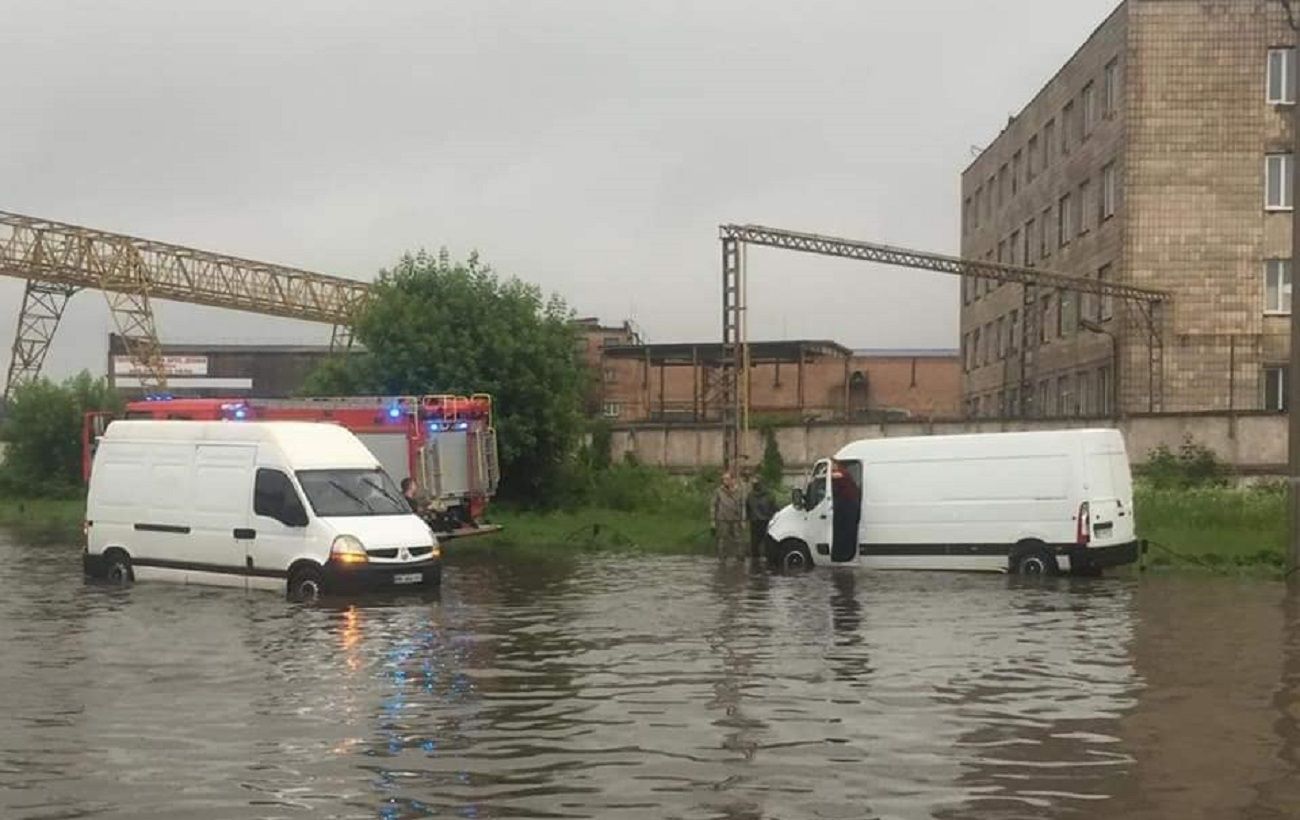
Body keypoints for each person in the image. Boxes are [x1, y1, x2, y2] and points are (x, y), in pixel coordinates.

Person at [711, 471, 747, 559]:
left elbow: (743, 505)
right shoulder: (719, 491)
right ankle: (722, 557)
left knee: (738, 539)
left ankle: (740, 557)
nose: (725, 481)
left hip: (736, 518)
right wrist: (712, 520)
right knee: (722, 539)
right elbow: (713, 505)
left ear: (733, 480)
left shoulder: (739, 491)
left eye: (727, 479)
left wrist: (743, 519)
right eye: (723, 479)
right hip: (722, 518)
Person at [746, 476, 778, 556]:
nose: (755, 485)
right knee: (755, 544)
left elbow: (774, 507)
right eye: (754, 484)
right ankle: (756, 560)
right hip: (755, 521)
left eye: (756, 484)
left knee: (767, 542)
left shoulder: (768, 495)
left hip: (766, 521)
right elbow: (748, 508)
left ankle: (768, 557)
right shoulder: (750, 495)